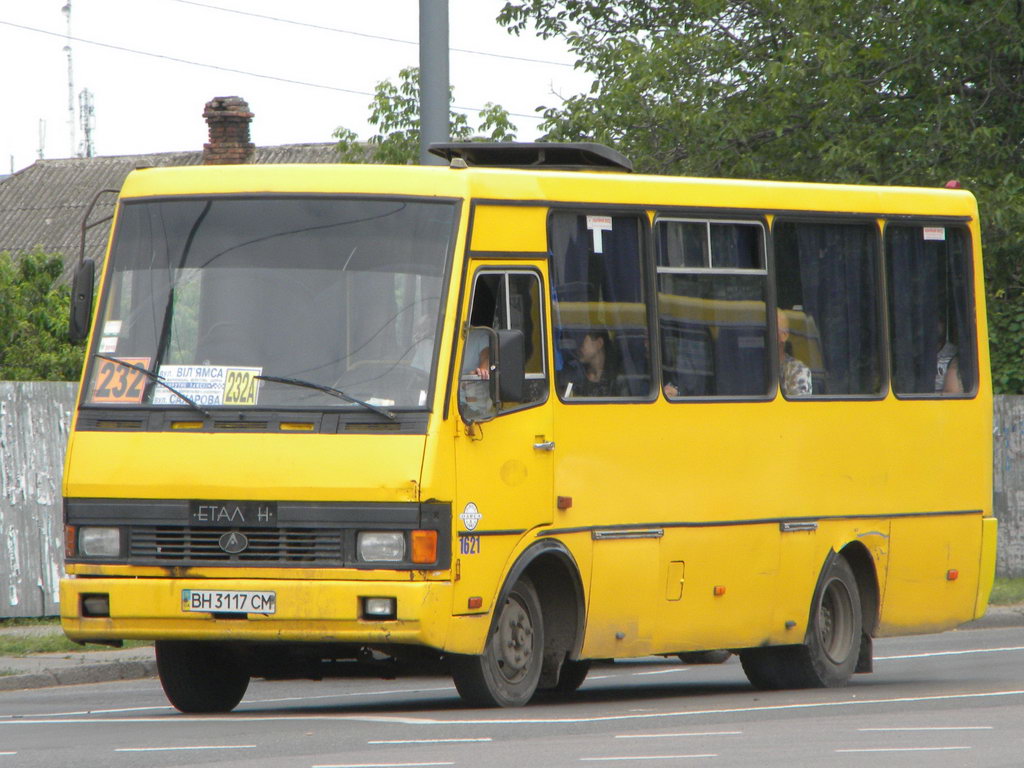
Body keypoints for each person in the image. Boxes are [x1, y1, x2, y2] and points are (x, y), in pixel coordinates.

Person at [569, 329, 619, 397]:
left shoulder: (617, 378)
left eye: (583, 343)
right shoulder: (575, 376)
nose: (579, 348)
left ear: (599, 343)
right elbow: (565, 396)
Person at [777, 309, 812, 396]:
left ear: (784, 336)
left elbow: (799, 407)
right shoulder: (752, 367)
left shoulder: (797, 370)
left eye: (771, 329)